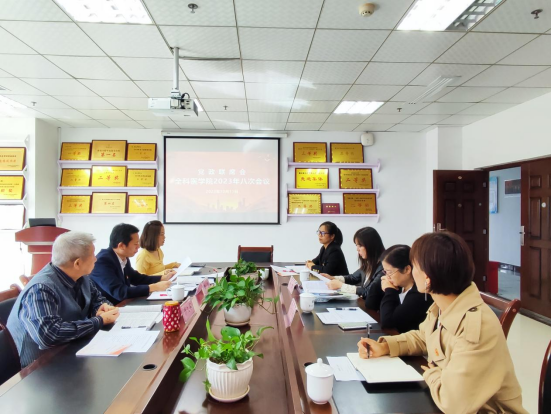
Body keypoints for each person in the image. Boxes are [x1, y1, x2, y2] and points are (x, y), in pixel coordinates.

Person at [358, 232, 528, 414]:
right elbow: (423, 337)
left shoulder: (475, 326)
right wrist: (385, 346)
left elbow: (453, 404)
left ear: (428, 278)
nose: (412, 272)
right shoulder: (443, 305)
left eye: (414, 266)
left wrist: (432, 373)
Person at [7, 232, 120, 368]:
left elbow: (97, 299)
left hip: (69, 349)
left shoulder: (81, 277)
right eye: (93, 255)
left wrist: (102, 308)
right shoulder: (41, 288)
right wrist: (99, 321)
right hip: (37, 365)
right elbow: (48, 335)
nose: (96, 259)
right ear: (77, 263)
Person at [90, 223, 172, 305]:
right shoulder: (102, 262)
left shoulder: (123, 257)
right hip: (109, 308)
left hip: (123, 304)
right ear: (121, 246)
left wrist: (163, 278)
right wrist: (152, 287)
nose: (138, 246)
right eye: (135, 244)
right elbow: (120, 292)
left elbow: (136, 278)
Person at [323, 227, 385, 309]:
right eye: (356, 245)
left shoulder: (383, 267)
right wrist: (333, 278)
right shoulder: (369, 263)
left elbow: (369, 292)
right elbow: (353, 277)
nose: (357, 249)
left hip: (375, 311)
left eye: (360, 246)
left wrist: (341, 286)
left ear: (371, 245)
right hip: (365, 307)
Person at [379, 245, 433, 333]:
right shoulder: (399, 286)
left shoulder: (419, 294)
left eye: (389, 272)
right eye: (385, 272)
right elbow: (371, 302)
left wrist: (389, 290)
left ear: (407, 269)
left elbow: (387, 322)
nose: (387, 276)